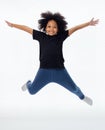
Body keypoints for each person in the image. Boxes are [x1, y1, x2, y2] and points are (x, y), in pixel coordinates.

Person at [5, 11, 99, 106]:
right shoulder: (40, 36)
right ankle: (29, 83)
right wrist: (13, 25)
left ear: (58, 29)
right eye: (49, 26)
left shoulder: (61, 37)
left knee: (74, 88)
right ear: (45, 27)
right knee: (32, 91)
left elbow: (74, 29)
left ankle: (83, 97)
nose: (51, 29)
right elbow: (26, 28)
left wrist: (88, 24)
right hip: (43, 71)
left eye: (54, 27)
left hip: (60, 71)